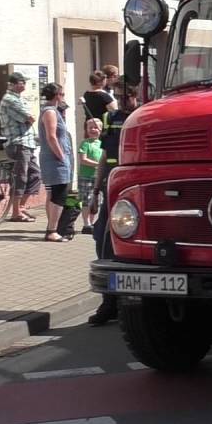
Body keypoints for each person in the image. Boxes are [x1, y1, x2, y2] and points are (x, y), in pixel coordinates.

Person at [88, 87, 139, 326]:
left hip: (135, 189)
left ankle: (126, 301)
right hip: (111, 187)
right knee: (103, 241)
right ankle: (109, 302)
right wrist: (95, 191)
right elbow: (105, 155)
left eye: (125, 96)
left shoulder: (143, 115)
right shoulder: (111, 118)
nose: (121, 101)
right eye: (118, 97)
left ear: (136, 96)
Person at [0, 72, 41, 223]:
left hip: (28, 142)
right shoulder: (10, 100)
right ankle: (16, 212)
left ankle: (21, 207)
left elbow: (30, 118)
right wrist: (29, 119)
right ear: (13, 84)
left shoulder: (17, 98)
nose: (24, 85)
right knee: (20, 177)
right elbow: (30, 118)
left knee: (35, 175)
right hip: (18, 143)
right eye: (22, 82)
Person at [38, 82, 73, 242]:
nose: (63, 97)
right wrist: (61, 156)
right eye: (62, 94)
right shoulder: (50, 112)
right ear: (57, 95)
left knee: (54, 194)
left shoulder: (52, 110)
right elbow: (51, 136)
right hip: (55, 160)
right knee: (60, 194)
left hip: (53, 158)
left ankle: (52, 227)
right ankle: (52, 230)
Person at [77, 118, 103, 235]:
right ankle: (86, 224)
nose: (93, 129)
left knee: (96, 201)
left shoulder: (102, 143)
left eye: (96, 127)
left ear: (101, 129)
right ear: (86, 130)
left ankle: (93, 223)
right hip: (86, 176)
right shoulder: (85, 143)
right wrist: (98, 164)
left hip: (99, 177)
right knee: (86, 200)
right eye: (90, 127)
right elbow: (83, 160)